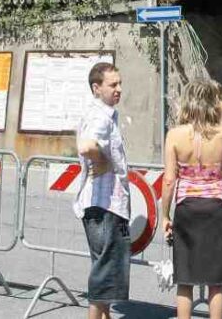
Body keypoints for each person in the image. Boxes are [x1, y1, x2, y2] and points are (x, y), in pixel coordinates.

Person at [160, 79, 222, 319]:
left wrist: (165, 214)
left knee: (185, 279)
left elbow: (170, 180)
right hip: (216, 207)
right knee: (216, 281)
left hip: (187, 207)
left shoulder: (174, 135)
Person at [75, 63, 130, 319]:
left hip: (99, 203)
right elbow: (87, 146)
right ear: (97, 88)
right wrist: (101, 161)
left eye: (119, 83)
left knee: (102, 267)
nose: (119, 89)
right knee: (105, 270)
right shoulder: (100, 116)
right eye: (113, 84)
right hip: (105, 204)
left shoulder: (101, 112)